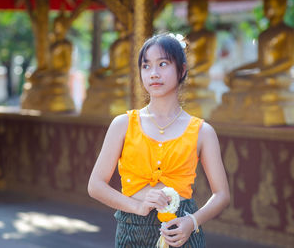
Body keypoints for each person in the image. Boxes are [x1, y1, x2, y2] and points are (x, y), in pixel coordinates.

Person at [88, 33, 230, 247]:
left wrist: (192, 222)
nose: (153, 73)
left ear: (182, 70)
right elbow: (95, 186)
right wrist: (137, 206)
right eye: (146, 66)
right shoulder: (123, 124)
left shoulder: (202, 131)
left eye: (163, 64)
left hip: (181, 229)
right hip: (131, 226)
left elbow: (222, 195)